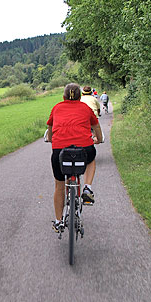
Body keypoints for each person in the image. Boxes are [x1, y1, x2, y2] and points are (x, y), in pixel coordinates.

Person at [46, 83, 103, 233]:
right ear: (80, 97)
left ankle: (58, 221)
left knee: (59, 186)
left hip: (60, 151)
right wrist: (100, 139)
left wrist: (52, 140)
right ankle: (87, 188)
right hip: (84, 148)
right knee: (91, 159)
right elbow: (96, 127)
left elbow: (50, 129)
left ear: (63, 97)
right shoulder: (85, 108)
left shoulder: (57, 107)